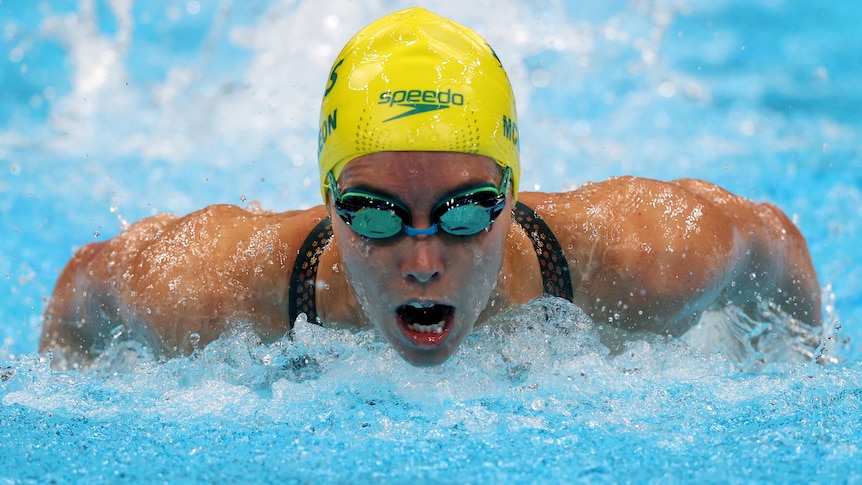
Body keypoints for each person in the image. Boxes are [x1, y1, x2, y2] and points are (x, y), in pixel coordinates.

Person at [39, 8, 822, 370]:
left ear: (511, 195)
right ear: (328, 199)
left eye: (467, 210)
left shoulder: (650, 256)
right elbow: (85, 285)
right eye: (376, 214)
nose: (421, 258)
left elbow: (770, 241)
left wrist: (803, 364)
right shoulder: (207, 294)